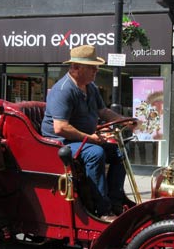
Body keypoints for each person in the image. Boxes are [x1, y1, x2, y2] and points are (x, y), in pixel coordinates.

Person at [41, 45, 134, 222]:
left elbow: (104, 112)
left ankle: (115, 202)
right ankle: (102, 210)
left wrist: (125, 120)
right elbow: (60, 128)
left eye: (96, 67)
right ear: (76, 67)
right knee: (95, 154)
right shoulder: (63, 90)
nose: (96, 71)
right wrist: (89, 137)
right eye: (92, 67)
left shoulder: (90, 87)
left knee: (120, 152)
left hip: (82, 139)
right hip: (59, 143)